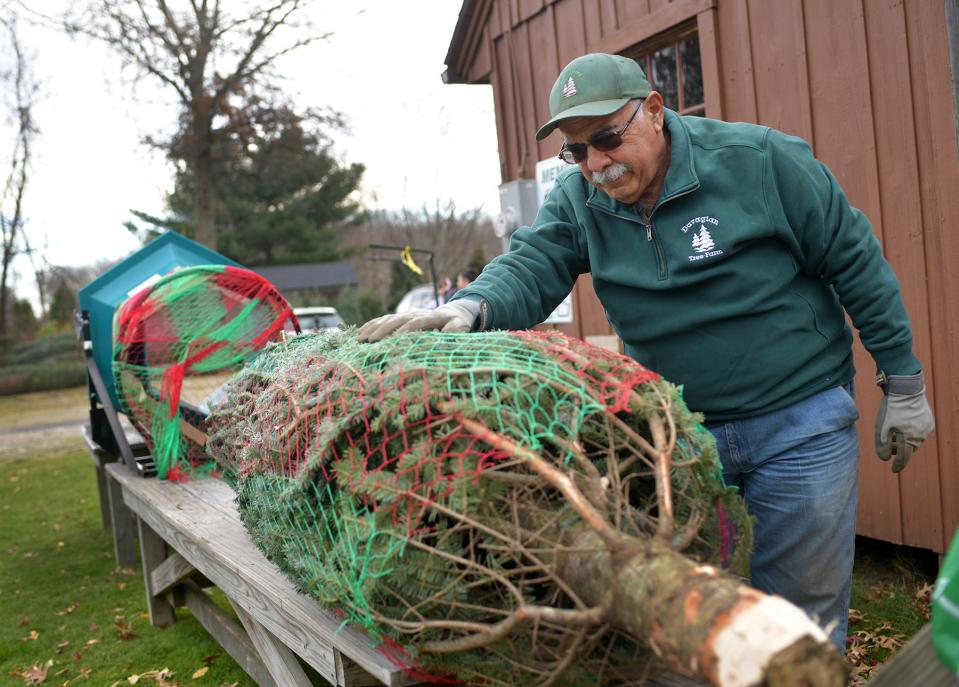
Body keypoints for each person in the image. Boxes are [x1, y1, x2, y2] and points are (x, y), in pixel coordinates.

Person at [357, 52, 935, 651]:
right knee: (683, 624)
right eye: (577, 151)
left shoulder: (759, 162)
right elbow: (533, 262)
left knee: (799, 624)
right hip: (678, 438)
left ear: (655, 111)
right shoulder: (581, 200)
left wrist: (904, 383)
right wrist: (469, 307)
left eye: (607, 138)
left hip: (799, 422)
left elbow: (855, 260)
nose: (596, 164)